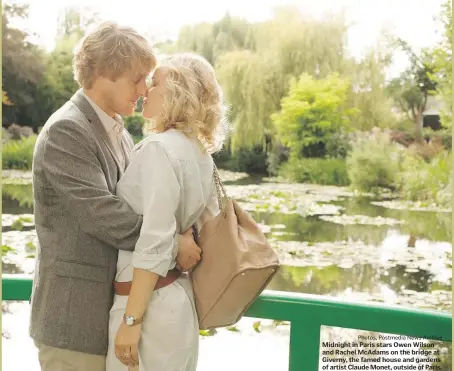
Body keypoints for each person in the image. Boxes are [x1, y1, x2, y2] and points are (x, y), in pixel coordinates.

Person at [29, 21, 201, 371]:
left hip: (110, 317)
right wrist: (173, 246)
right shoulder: (67, 130)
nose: (144, 88)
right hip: (74, 324)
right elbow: (104, 216)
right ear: (105, 72)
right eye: (136, 78)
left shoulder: (119, 133)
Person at [105, 52, 228, 371]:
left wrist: (131, 321)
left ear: (177, 91)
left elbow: (155, 241)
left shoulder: (159, 149)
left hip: (148, 310)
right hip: (178, 304)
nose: (145, 89)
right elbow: (208, 230)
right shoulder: (199, 152)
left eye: (155, 82)